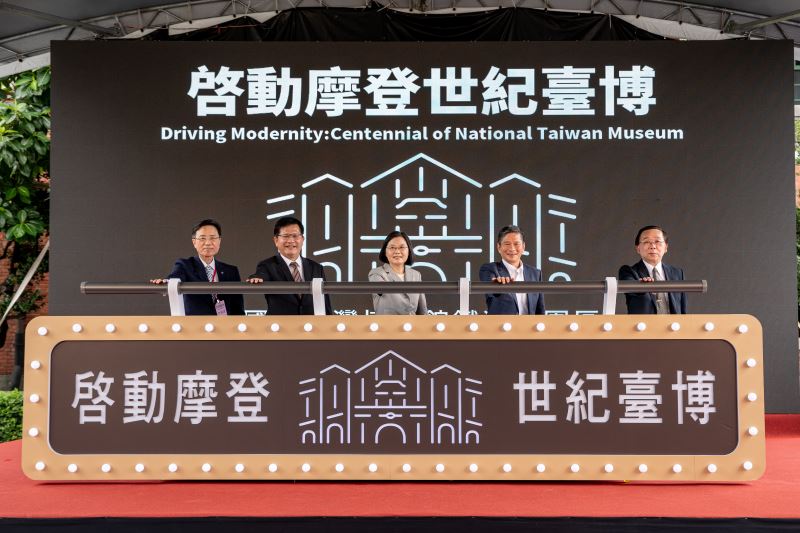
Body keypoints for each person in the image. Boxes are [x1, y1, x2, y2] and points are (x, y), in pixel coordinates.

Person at [151, 219, 244, 316]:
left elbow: (238, 309)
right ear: (194, 242)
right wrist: (167, 282)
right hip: (195, 327)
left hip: (224, 327)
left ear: (219, 241)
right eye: (202, 238)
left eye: (213, 238)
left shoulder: (231, 271)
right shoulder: (185, 265)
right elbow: (175, 277)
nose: (208, 243)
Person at [247, 216, 333, 315]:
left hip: (311, 327)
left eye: (295, 236)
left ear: (302, 239)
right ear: (276, 240)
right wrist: (256, 278)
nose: (291, 240)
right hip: (280, 327)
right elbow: (261, 275)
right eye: (286, 236)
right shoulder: (267, 265)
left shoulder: (316, 267)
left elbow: (325, 303)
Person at [618, 225, 687, 314]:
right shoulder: (629, 272)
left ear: (666, 247)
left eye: (657, 241)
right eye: (646, 242)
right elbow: (633, 292)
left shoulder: (677, 273)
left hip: (672, 326)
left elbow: (682, 309)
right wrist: (643, 287)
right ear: (638, 248)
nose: (653, 246)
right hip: (643, 326)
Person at [478, 225, 545, 315]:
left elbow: (539, 310)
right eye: (507, 244)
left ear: (523, 247)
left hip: (528, 327)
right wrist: (497, 285)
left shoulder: (535, 273)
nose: (512, 248)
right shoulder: (489, 269)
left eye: (516, 244)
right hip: (501, 327)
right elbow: (491, 291)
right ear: (499, 247)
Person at [368, 231, 427, 315]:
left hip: (411, 326)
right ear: (385, 252)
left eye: (402, 247)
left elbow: (422, 310)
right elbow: (380, 289)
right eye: (392, 247)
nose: (397, 251)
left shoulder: (416, 275)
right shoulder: (377, 273)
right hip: (387, 326)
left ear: (409, 250)